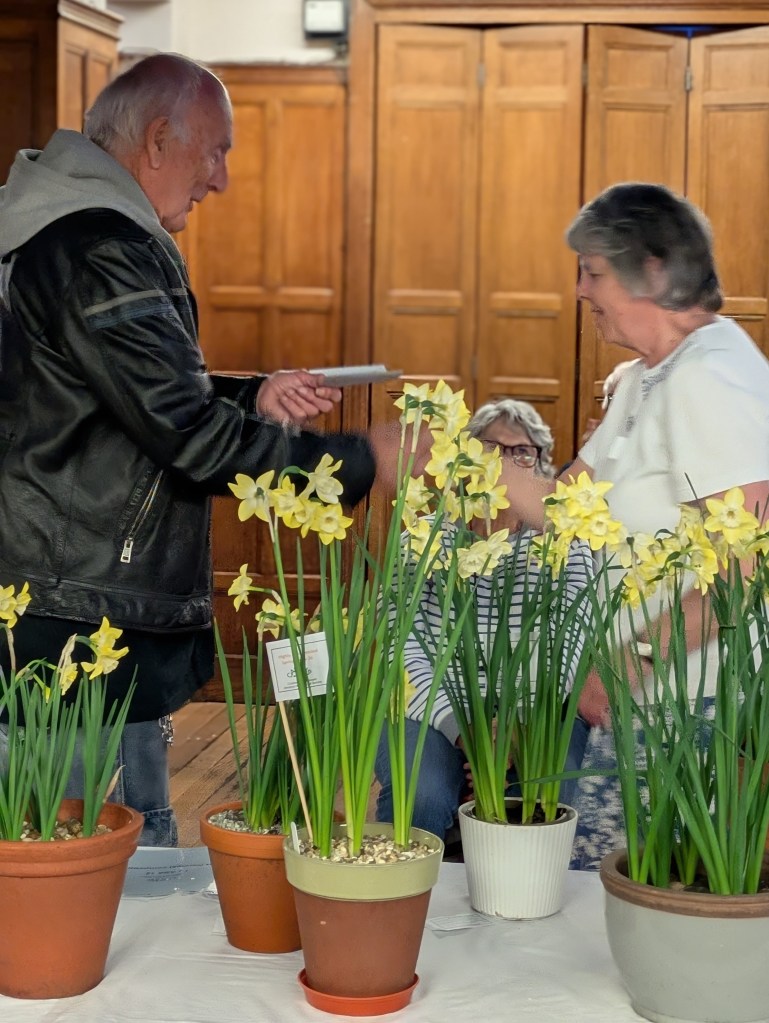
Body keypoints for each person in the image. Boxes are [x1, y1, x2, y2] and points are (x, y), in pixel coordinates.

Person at [0, 53, 404, 846]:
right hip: (81, 622)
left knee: (76, 862)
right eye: (214, 151)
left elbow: (103, 394)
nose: (219, 178)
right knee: (102, 870)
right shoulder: (101, 245)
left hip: (57, 602)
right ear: (157, 141)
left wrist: (249, 394)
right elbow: (184, 435)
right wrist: (364, 459)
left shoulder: (57, 223)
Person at [493, 182, 769, 867]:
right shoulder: (650, 375)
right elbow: (565, 507)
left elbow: (745, 565)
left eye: (592, 271)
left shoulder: (709, 377)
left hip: (692, 709)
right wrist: (457, 462)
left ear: (650, 271)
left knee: (626, 909)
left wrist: (627, 663)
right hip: (639, 700)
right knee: (602, 909)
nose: (581, 291)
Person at [374, 399, 594, 843]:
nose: (504, 464)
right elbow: (398, 644)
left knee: (546, 794)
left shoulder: (566, 540)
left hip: (538, 709)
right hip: (434, 708)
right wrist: (465, 729)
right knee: (424, 793)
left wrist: (515, 724)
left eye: (521, 453)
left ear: (541, 467)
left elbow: (574, 640)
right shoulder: (424, 535)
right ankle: (404, 896)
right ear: (464, 461)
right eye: (489, 449)